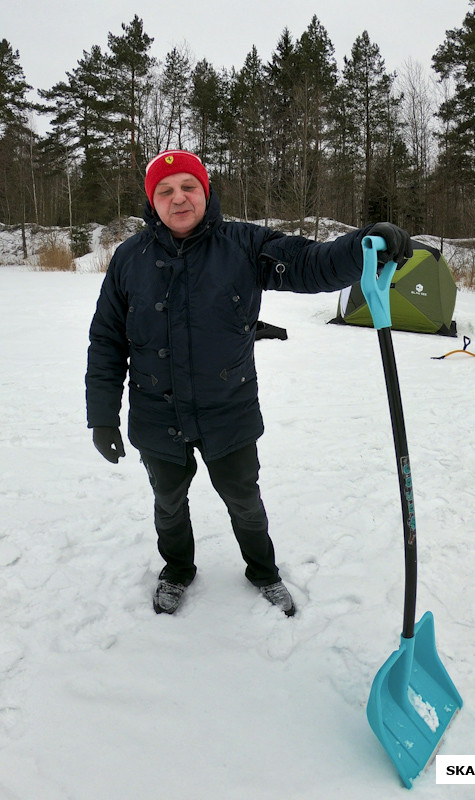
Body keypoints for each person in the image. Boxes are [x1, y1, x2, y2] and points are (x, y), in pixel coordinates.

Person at [85, 149, 412, 617]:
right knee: (168, 504)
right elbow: (106, 342)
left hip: (228, 411)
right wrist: (102, 417)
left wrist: (362, 243)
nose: (179, 199)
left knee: (245, 500)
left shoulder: (242, 244)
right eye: (166, 191)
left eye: (188, 187)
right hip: (157, 413)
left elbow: (308, 262)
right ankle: (176, 570)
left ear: (206, 191)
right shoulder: (128, 260)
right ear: (151, 202)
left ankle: (263, 571)